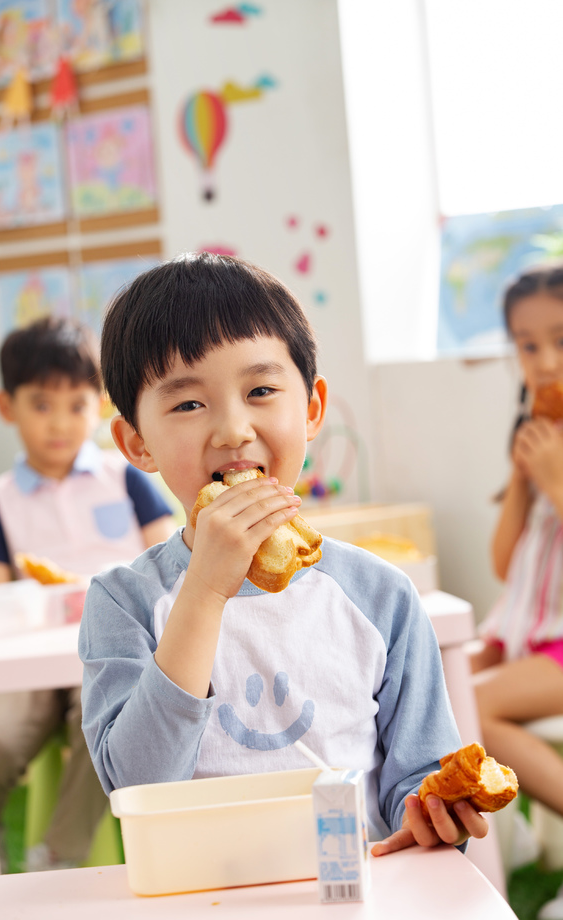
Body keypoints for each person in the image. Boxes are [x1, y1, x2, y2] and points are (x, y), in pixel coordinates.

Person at [79, 252, 488, 856]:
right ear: (136, 442)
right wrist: (205, 591)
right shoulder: (124, 603)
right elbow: (139, 788)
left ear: (313, 408)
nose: (232, 430)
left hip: (354, 889)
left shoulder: (380, 596)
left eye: (262, 390)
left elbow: (416, 777)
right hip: (196, 895)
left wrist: (431, 810)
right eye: (188, 404)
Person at [0, 316, 176, 871]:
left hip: (114, 653)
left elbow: (171, 565)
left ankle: (59, 855)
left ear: (99, 406)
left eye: (76, 406)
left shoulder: (125, 478)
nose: (60, 423)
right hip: (31, 669)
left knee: (104, 717)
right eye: (40, 405)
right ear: (6, 407)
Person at [470, 266, 563, 823]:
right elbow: (504, 566)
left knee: (470, 707)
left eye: (562, 340)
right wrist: (524, 480)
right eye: (528, 346)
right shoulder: (535, 435)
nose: (545, 362)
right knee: (429, 680)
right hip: (518, 633)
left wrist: (554, 478)